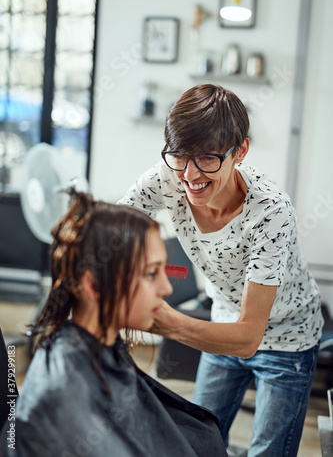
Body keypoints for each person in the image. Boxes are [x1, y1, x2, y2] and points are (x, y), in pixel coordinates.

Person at [119, 84, 324, 457]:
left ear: (240, 150)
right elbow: (112, 229)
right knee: (200, 441)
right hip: (222, 320)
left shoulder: (271, 212)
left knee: (268, 452)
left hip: (286, 338)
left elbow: (247, 337)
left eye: (208, 158)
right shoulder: (167, 178)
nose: (191, 175)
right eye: (180, 156)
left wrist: (161, 321)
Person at [6, 193, 226, 457]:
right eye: (150, 273)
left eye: (163, 271)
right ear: (93, 285)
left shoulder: (103, 348)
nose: (166, 287)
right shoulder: (66, 387)